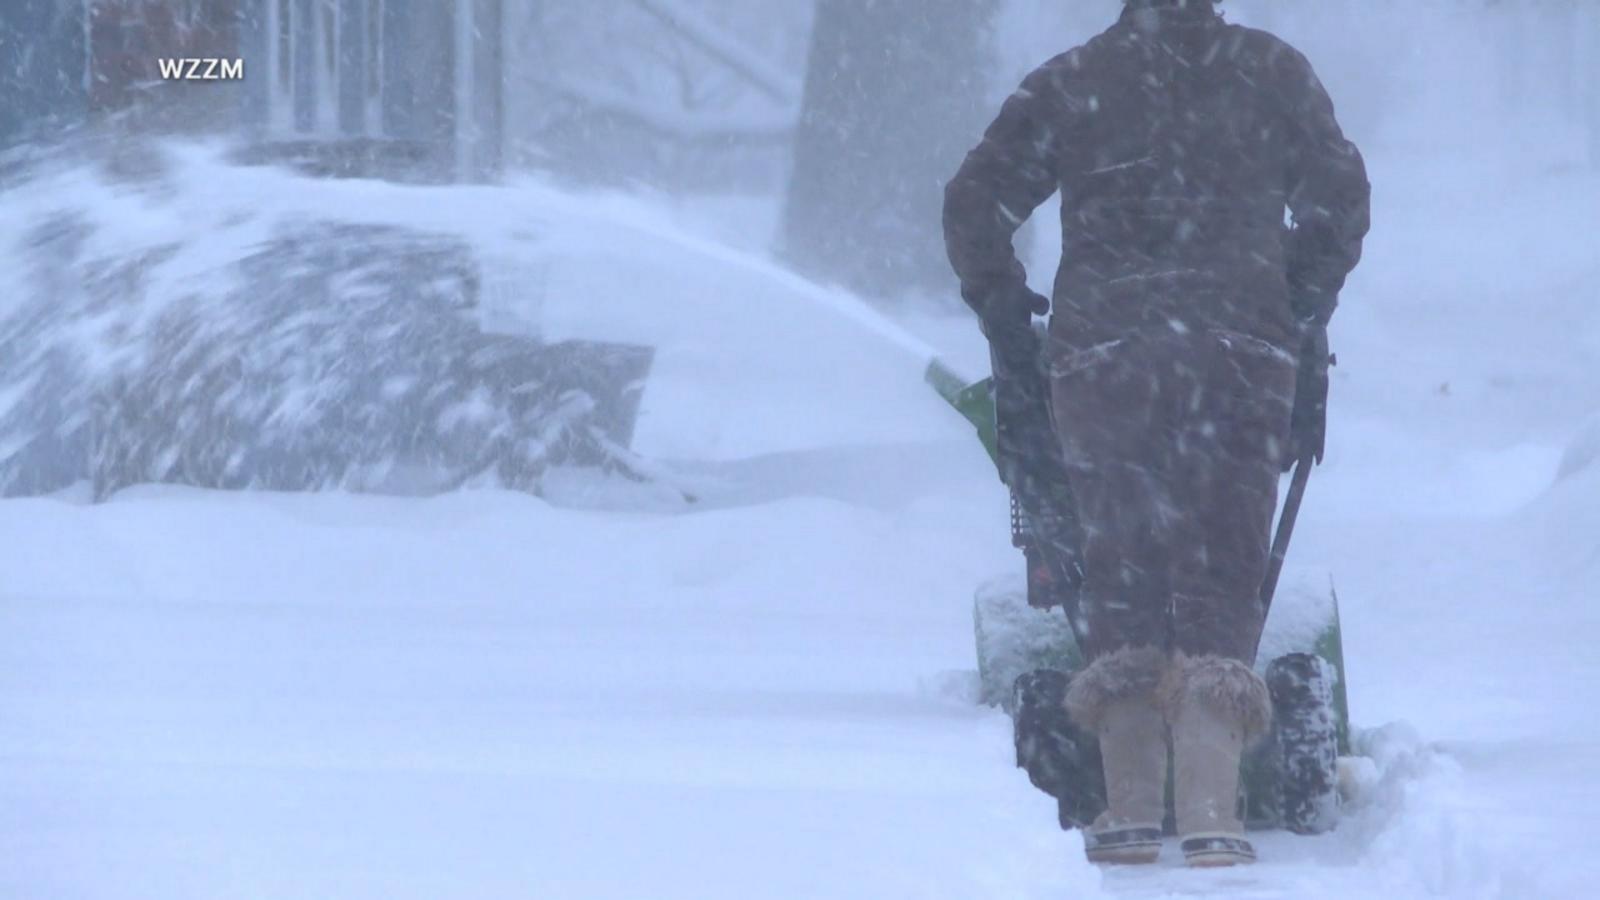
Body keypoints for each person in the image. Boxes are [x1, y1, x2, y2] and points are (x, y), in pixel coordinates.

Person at [942, 0, 1370, 868]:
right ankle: (1212, 809)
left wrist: (999, 303)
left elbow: (974, 198)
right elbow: (1342, 200)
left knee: (1122, 560)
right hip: (1239, 352)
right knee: (1224, 564)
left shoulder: (1076, 80)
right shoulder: (1270, 71)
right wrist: (1296, 297)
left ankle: (1131, 807)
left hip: (1105, 357)